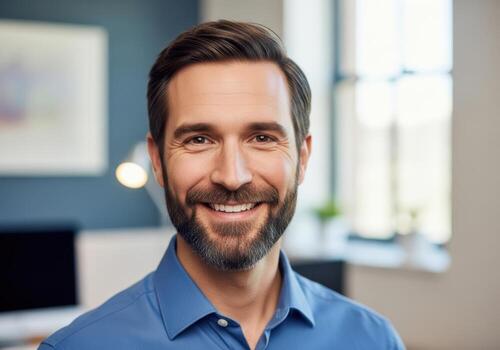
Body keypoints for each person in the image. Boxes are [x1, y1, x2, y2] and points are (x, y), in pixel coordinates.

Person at [39, 20, 405, 350]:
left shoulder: (373, 339)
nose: (232, 176)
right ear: (157, 161)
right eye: (199, 139)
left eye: (261, 138)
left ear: (303, 158)